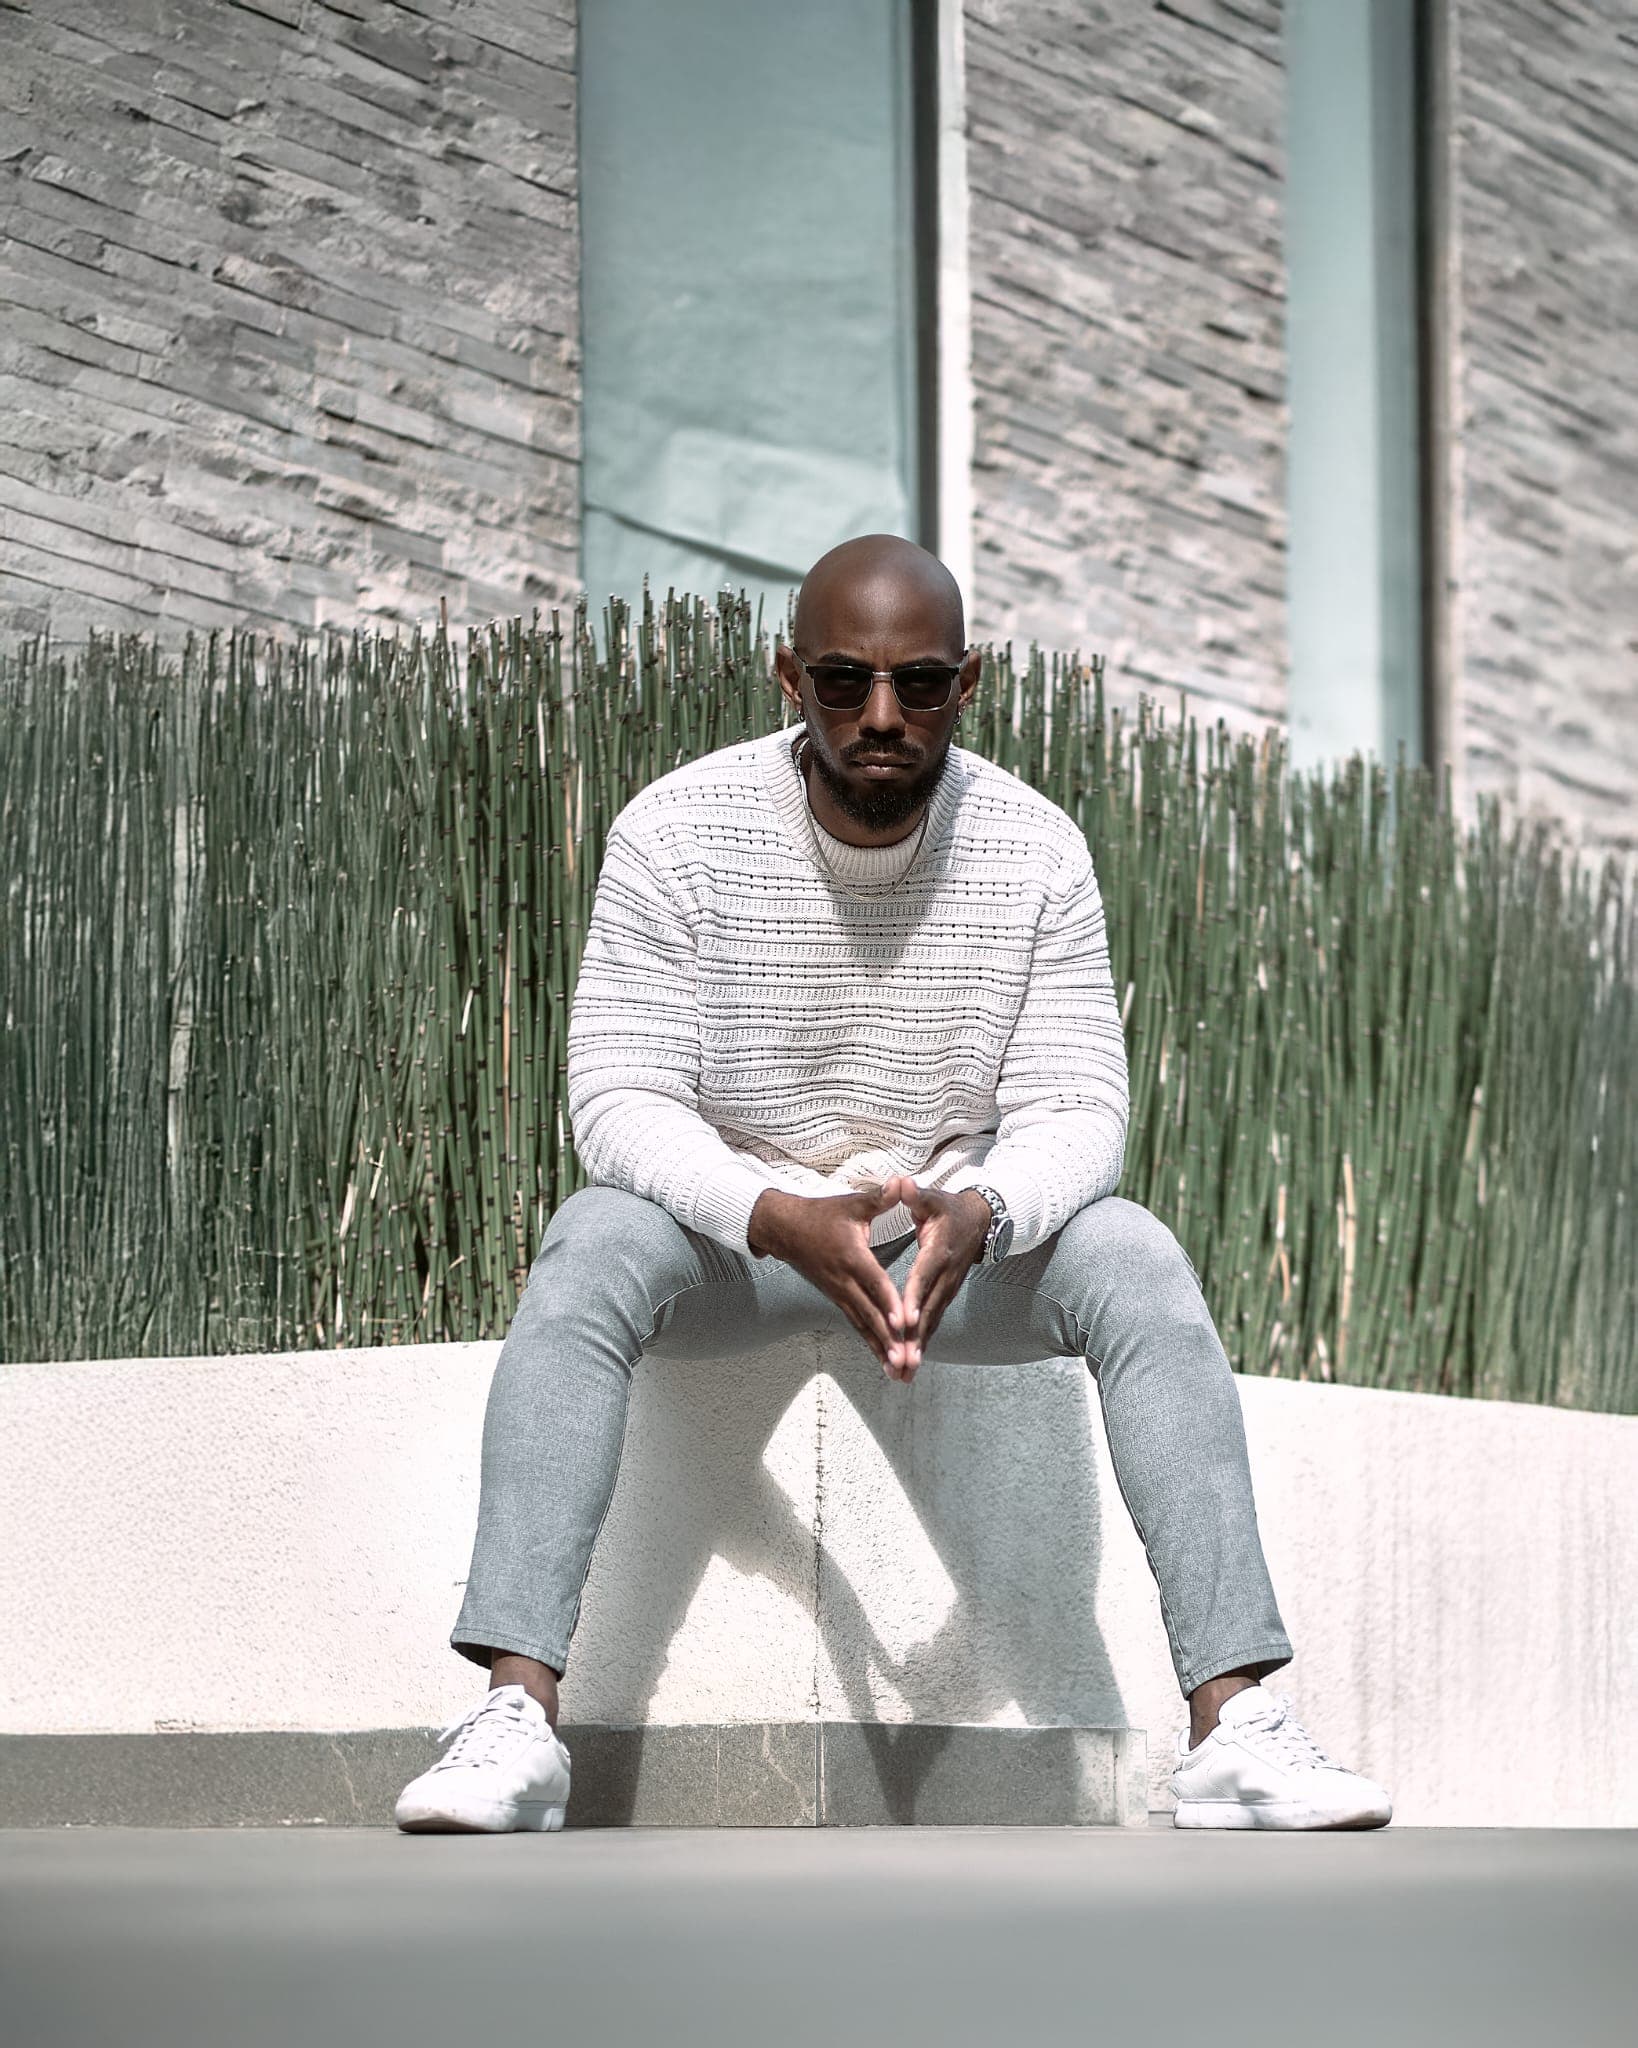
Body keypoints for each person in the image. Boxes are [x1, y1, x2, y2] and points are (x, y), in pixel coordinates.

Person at [395, 534, 1392, 1835]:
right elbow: (619, 1096)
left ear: (967, 683)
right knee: (590, 1239)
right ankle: (514, 1719)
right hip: (740, 1241)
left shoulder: (1033, 849)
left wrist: (982, 1213)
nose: (879, 715)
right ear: (784, 676)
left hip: (944, 1245)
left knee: (1133, 1252)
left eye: (918, 684)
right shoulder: (677, 831)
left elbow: (1078, 1106)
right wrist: (769, 1214)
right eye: (841, 679)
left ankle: (1232, 1730)